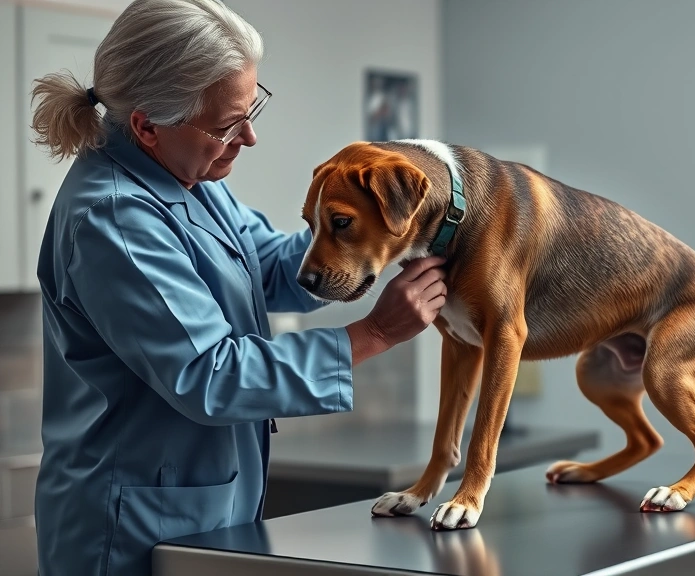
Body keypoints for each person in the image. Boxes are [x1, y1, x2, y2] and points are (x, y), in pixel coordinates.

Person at [29, 1, 448, 574]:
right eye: (227, 125)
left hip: (200, 508)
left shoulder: (190, 176)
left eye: (252, 110)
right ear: (147, 126)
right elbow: (211, 374)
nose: (248, 137)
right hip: (128, 529)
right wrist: (374, 334)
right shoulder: (114, 218)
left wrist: (364, 236)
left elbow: (268, 265)